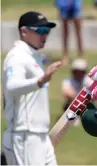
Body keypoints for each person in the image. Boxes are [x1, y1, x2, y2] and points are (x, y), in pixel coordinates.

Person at [2, 11, 62, 165]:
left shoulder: (33, 56)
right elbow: (12, 86)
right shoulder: (17, 56)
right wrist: (40, 81)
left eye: (47, 31)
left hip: (40, 135)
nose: (45, 36)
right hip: (24, 135)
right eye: (40, 31)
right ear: (24, 31)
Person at [61, 58, 93, 125]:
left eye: (81, 71)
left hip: (87, 105)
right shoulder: (67, 81)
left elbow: (94, 94)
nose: (79, 73)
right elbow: (66, 93)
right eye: (77, 71)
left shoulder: (88, 80)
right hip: (73, 104)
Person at [55, 0, 84, 64]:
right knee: (65, 33)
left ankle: (80, 55)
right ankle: (65, 55)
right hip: (64, 5)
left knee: (78, 32)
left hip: (75, 5)